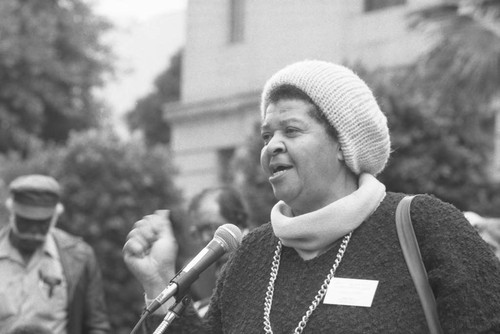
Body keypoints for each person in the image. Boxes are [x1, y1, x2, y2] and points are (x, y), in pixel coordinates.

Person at [123, 60, 500, 333]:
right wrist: (158, 284)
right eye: (266, 135)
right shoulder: (250, 255)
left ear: (343, 143)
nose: (272, 147)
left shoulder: (423, 226)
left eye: (291, 130)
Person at [0, 174, 110, 334]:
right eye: (26, 222)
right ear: (12, 213)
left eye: (41, 224)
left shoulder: (79, 256)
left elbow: (96, 325)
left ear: (54, 218)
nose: (33, 232)